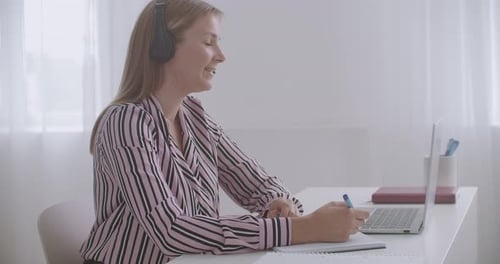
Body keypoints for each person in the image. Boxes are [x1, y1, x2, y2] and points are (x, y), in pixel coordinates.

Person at [80, 0, 369, 263]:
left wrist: (278, 204)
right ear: (162, 47)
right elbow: (171, 231)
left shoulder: (194, 115)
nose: (221, 56)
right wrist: (299, 230)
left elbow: (259, 184)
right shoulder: (126, 122)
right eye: (209, 42)